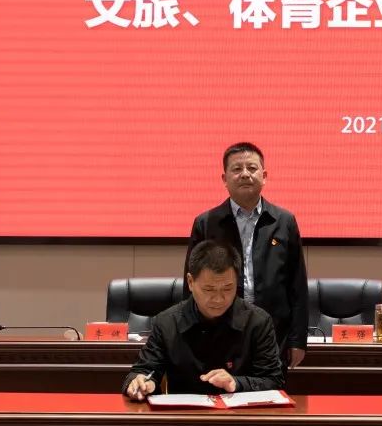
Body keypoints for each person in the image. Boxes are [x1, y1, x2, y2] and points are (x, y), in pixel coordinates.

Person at [184, 142, 308, 369]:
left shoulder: (284, 221)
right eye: (237, 169)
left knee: (269, 389)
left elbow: (297, 285)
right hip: (219, 332)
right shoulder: (206, 223)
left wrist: (298, 340)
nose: (245, 174)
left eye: (252, 168)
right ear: (224, 179)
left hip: (273, 333)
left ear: (264, 176)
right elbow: (191, 285)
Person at [124, 239, 284, 399]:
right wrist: (143, 383)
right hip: (185, 413)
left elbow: (274, 380)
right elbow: (143, 371)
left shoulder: (257, 322)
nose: (219, 299)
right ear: (190, 282)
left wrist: (236, 383)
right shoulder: (167, 323)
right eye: (209, 289)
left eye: (228, 288)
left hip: (239, 413)